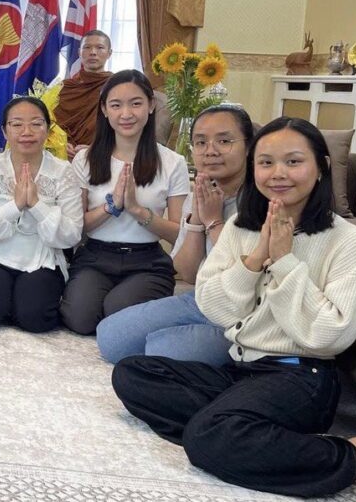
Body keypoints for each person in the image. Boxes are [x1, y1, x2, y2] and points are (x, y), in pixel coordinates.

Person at [111, 117, 356, 498]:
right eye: (265, 163)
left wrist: (284, 263)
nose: (278, 173)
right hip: (243, 368)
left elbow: (329, 335)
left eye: (293, 162)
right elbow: (214, 307)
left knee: (207, 440)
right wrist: (255, 258)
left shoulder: (347, 241)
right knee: (133, 374)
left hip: (303, 376)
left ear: (321, 170)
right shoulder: (241, 228)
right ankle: (249, 428)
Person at [96, 104, 253, 366]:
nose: (210, 151)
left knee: (162, 352)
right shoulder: (202, 193)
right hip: (202, 300)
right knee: (110, 337)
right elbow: (188, 273)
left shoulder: (261, 200)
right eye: (200, 142)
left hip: (246, 315)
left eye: (224, 141)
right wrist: (196, 220)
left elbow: (246, 279)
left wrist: (214, 222)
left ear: (249, 147)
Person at [59, 69, 188, 335]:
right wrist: (111, 208)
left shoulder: (174, 163)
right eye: (116, 105)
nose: (126, 114)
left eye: (136, 103)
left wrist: (137, 210)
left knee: (118, 313)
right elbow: (75, 227)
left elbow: (180, 234)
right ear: (104, 110)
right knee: (81, 320)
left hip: (147, 261)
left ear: (151, 106)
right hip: (96, 256)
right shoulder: (85, 160)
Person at [0, 96, 83, 333]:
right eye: (17, 124)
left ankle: (18, 301)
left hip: (41, 259)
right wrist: (15, 206)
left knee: (35, 319)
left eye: (36, 124)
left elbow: (72, 234)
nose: (26, 131)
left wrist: (36, 204)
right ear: (4, 131)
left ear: (48, 131)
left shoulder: (63, 172)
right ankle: (8, 299)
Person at [53, 30, 113, 158]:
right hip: (62, 154)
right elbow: (49, 123)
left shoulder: (117, 87)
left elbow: (123, 126)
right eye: (87, 47)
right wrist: (60, 143)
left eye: (100, 48)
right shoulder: (65, 88)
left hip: (102, 155)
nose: (93, 52)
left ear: (109, 53)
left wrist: (97, 148)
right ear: (79, 52)